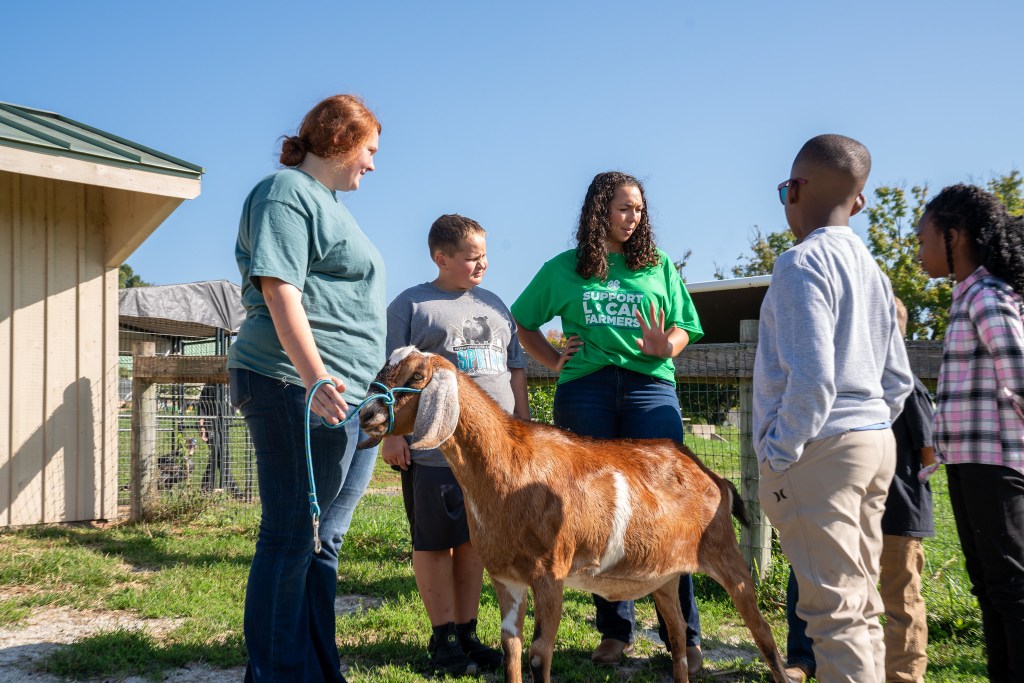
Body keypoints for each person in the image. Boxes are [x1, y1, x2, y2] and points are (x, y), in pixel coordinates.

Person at [510, 170, 705, 676]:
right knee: (595, 516)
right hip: (586, 390)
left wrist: (670, 346)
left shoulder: (659, 267)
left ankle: (683, 635)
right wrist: (552, 362)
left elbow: (686, 325)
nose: (633, 217)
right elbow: (523, 322)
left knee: (669, 511)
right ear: (599, 211)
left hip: (649, 389)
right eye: (623, 208)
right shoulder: (564, 268)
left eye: (639, 209)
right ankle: (615, 632)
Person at [226, 94, 383, 683]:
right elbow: (279, 290)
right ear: (341, 140)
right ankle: (277, 673)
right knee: (293, 533)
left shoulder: (329, 203)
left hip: (343, 395)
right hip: (291, 383)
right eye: (369, 150)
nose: (373, 163)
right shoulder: (284, 193)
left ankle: (316, 667)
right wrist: (317, 377)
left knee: (324, 538)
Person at [754, 134, 913, 683]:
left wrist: (779, 451)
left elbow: (814, 378)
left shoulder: (800, 264)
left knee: (833, 615)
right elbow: (898, 378)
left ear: (795, 190)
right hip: (875, 442)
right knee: (861, 605)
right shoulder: (873, 270)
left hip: (819, 447)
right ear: (860, 202)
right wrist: (869, 424)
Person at [381, 213, 531, 676]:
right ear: (441, 257)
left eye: (485, 256)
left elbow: (516, 369)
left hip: (494, 457)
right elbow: (390, 378)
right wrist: (392, 434)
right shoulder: (412, 305)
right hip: (435, 451)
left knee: (473, 545)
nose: (481, 264)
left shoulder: (496, 305)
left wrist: (522, 424)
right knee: (433, 544)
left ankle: (468, 633)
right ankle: (442, 637)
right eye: (472, 257)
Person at [785, 297, 935, 683]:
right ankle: (832, 663)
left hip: (901, 514)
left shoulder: (911, 391)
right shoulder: (849, 386)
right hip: (855, 509)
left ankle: (903, 675)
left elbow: (929, 454)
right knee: (850, 594)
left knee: (901, 601)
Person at [914, 183, 1024, 682]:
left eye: (923, 239)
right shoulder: (966, 296)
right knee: (988, 584)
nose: (918, 252)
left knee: (1010, 588)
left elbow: (1018, 376)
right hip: (968, 466)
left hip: (995, 466)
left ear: (954, 236)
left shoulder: (986, 295)